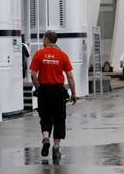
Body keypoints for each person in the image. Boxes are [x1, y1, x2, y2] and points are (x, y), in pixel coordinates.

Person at [30, 30, 77, 160]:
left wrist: (38, 86)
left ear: (46, 39)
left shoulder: (39, 54)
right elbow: (70, 76)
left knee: (45, 117)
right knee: (59, 119)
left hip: (44, 90)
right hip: (58, 92)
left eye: (43, 38)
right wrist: (73, 93)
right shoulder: (62, 55)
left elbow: (33, 74)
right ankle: (56, 148)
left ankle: (45, 138)